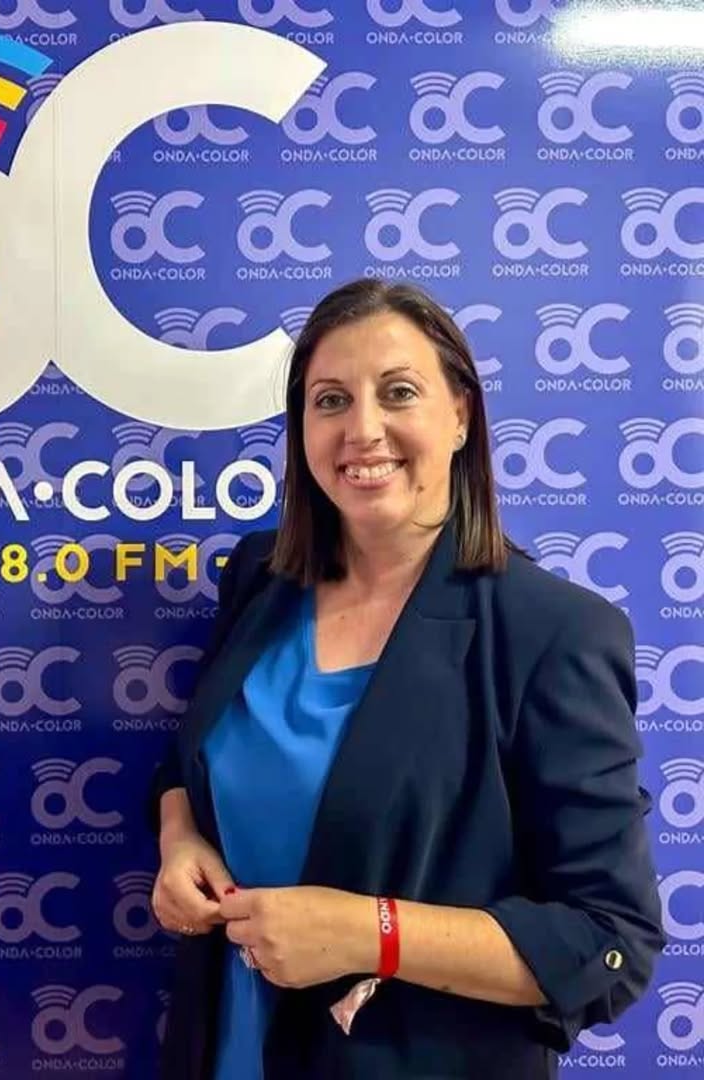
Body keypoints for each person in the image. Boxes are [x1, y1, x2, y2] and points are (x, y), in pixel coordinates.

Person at [147, 279, 663, 1080]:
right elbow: (188, 762)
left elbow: (607, 941)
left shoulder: (553, 632)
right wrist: (179, 839)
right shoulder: (259, 578)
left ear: (460, 414)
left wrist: (371, 933)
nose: (362, 430)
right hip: (225, 1050)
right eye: (330, 400)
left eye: (398, 393)